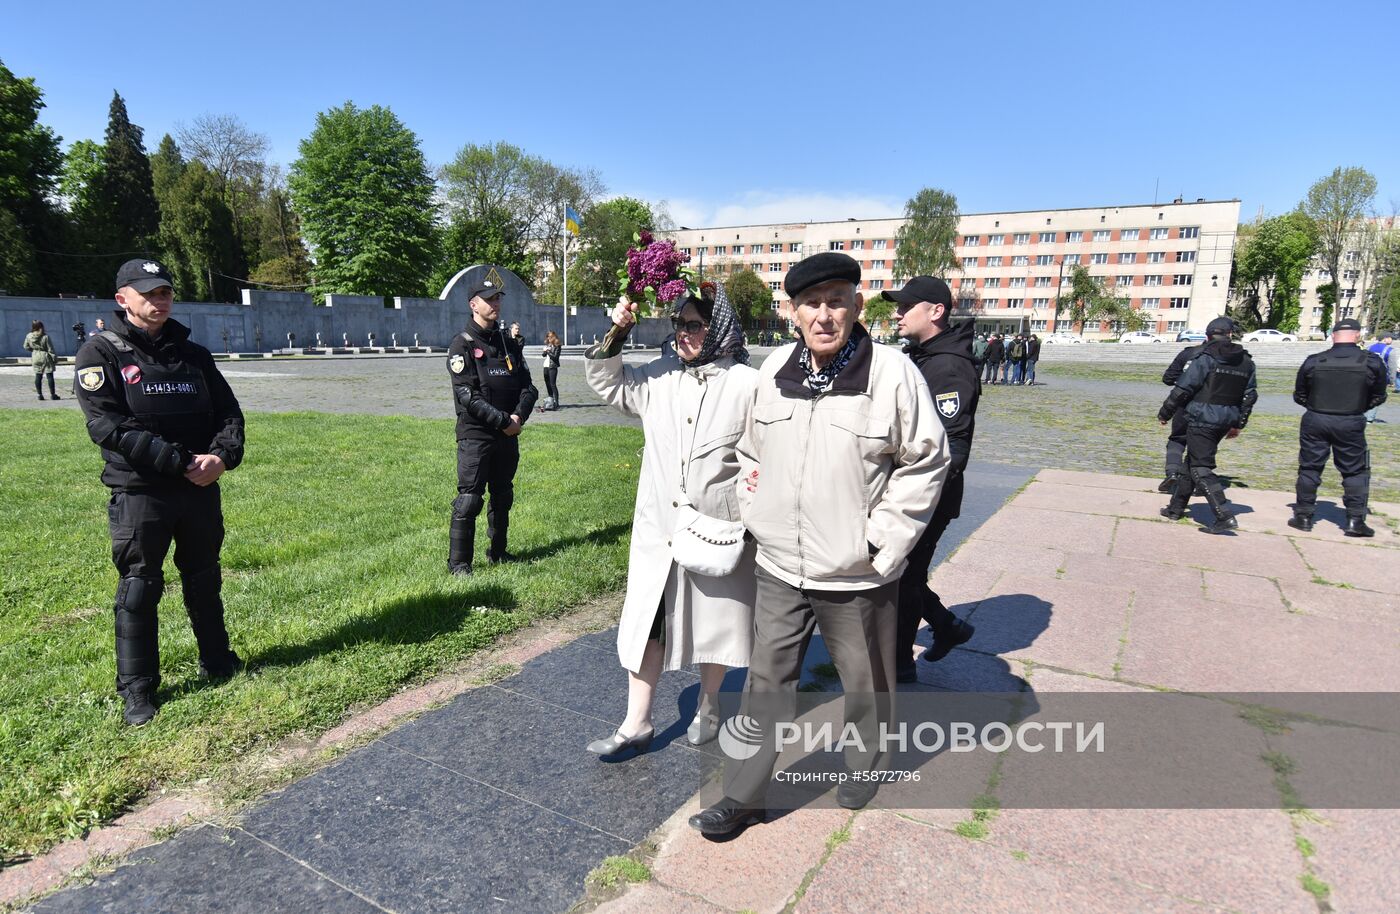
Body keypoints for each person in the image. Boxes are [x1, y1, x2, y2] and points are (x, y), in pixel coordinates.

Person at [689, 252, 948, 836]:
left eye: (836, 301)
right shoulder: (776, 368)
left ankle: (865, 764)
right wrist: (758, 513)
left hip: (857, 570)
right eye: (812, 303)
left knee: (866, 683)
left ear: (858, 305)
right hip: (781, 564)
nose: (824, 314)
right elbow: (752, 451)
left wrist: (882, 540)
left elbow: (926, 461)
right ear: (792, 312)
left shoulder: (892, 375)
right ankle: (745, 794)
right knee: (765, 686)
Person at [583, 284, 758, 755]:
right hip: (659, 529)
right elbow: (607, 383)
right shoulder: (660, 376)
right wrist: (619, 329)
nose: (683, 334)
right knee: (649, 622)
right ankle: (636, 722)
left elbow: (763, 451)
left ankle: (709, 705)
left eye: (695, 325)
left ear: (718, 326)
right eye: (678, 324)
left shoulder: (746, 384)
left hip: (716, 528)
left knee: (713, 620)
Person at [73, 259, 245, 726]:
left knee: (204, 578)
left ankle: (218, 660)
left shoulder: (195, 355)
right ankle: (138, 688)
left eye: (165, 292)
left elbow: (229, 414)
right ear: (122, 299)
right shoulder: (100, 353)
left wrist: (221, 457)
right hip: (142, 492)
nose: (158, 300)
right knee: (139, 589)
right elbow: (107, 425)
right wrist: (179, 461)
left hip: (199, 489)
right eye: (147, 293)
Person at [883, 277, 978, 682]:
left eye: (906, 307)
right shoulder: (924, 356)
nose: (897, 313)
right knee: (905, 573)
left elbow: (953, 444)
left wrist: (917, 492)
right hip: (912, 488)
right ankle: (945, 627)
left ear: (935, 311)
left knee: (902, 575)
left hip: (929, 494)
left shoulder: (947, 365)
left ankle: (901, 664)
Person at [446, 277, 538, 574]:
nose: (495, 303)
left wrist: (518, 418)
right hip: (477, 435)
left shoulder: (507, 344)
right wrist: (502, 421)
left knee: (503, 495)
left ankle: (498, 552)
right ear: (473, 304)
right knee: (469, 499)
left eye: (498, 298)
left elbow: (529, 388)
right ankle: (459, 564)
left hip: (508, 434)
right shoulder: (462, 344)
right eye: (489, 299)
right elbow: (466, 396)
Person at [1289, 318, 1389, 536]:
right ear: (1357, 335)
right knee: (1354, 471)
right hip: (1350, 420)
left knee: (1309, 467)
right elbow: (1379, 395)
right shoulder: (1370, 362)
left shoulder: (1315, 361)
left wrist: (1317, 406)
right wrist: (1358, 407)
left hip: (1316, 418)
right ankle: (1355, 520)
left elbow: (1299, 394)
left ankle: (1303, 516)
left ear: (1334, 336)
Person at [1157, 317, 1257, 534]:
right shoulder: (1246, 361)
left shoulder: (1206, 358)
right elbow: (1250, 396)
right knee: (1190, 462)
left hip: (1202, 418)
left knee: (1201, 467)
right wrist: (1238, 424)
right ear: (1230, 334)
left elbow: (1183, 388)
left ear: (1208, 335)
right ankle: (1175, 508)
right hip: (1225, 420)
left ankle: (1224, 516)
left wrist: (1165, 413)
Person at [1158, 334, 1208, 493]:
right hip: (1211, 408)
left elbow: (1168, 378)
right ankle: (1199, 483)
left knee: (1177, 440)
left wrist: (1184, 381)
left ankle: (1172, 472)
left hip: (1184, 403)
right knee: (1202, 445)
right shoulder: (1226, 358)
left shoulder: (1188, 353)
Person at [23, 320, 60, 400]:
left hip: (35, 356)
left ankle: (39, 395)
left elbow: (25, 346)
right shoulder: (45, 336)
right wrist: (54, 358)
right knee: (49, 375)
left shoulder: (29, 336)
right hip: (45, 356)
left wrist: (34, 350)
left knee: (38, 375)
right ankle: (52, 394)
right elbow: (50, 349)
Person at [1364, 333, 1393, 423]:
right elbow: (1392, 366)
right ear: (1385, 339)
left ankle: (1364, 414)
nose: (1392, 340)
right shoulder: (1390, 350)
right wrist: (1392, 380)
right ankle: (1370, 418)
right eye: (1390, 338)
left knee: (1366, 394)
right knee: (1377, 395)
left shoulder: (1369, 347)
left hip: (1367, 374)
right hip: (1382, 376)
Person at [541, 330, 562, 409]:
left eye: (549, 337)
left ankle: (556, 402)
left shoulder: (557, 346)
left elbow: (555, 357)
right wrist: (544, 351)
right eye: (547, 337)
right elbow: (543, 355)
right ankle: (550, 399)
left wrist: (548, 351)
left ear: (553, 337)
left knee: (553, 384)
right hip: (546, 366)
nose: (548, 339)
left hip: (553, 366)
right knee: (547, 383)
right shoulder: (548, 345)